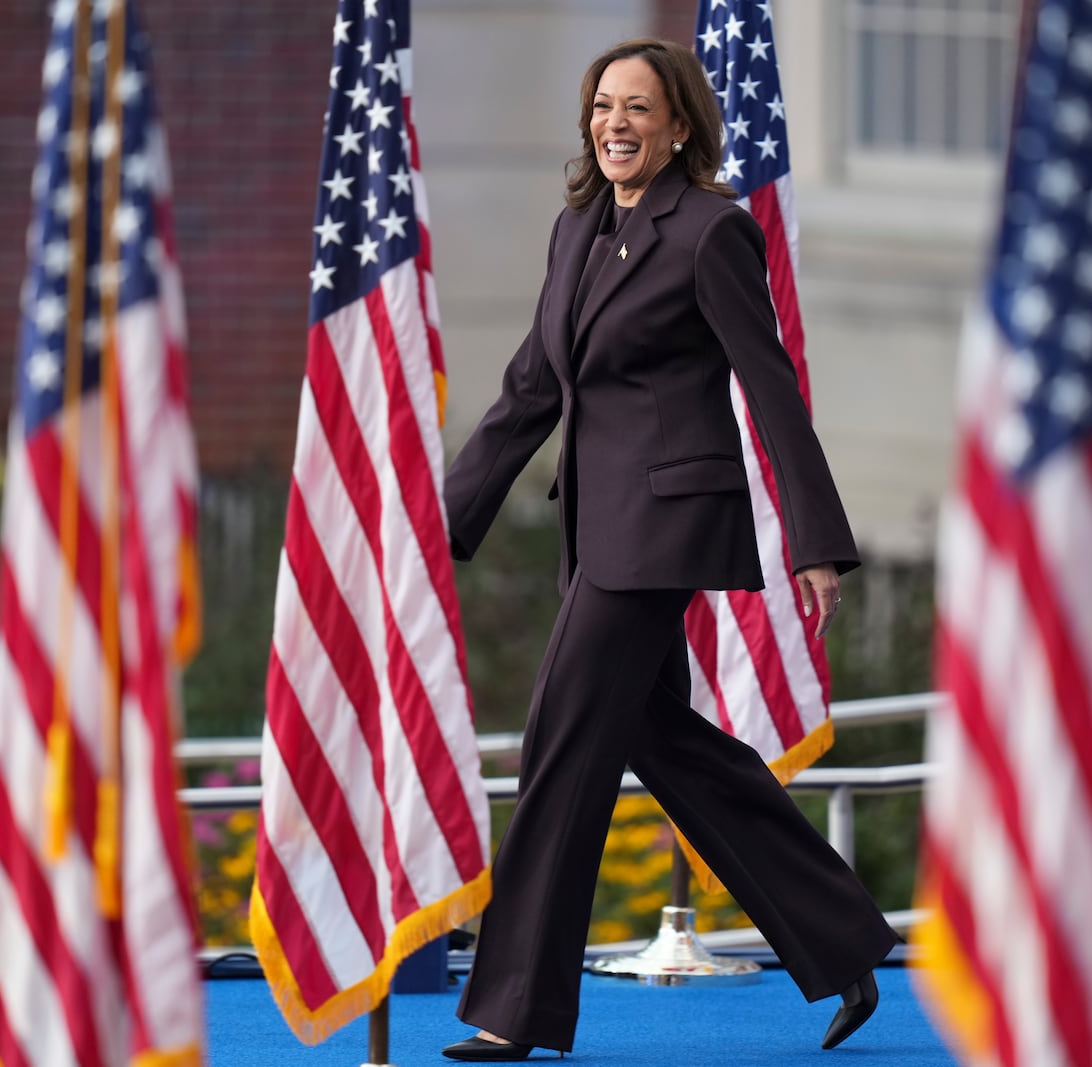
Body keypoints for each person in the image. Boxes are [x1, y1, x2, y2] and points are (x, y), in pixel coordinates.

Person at [439, 37, 899, 1062]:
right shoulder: (576, 229)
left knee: (558, 746)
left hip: (657, 533)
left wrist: (816, 541)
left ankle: (514, 1007)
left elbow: (770, 387)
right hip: (593, 528)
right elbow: (529, 389)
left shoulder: (711, 233)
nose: (616, 123)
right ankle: (844, 936)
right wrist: (442, 528)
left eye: (639, 108)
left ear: (680, 125)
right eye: (604, 106)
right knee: (668, 740)